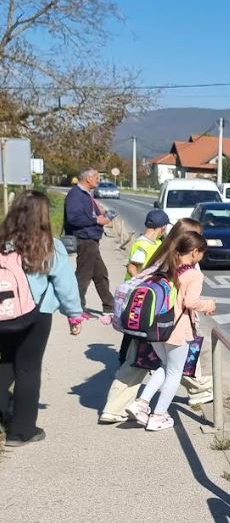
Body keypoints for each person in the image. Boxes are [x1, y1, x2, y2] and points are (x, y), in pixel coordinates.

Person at [99, 217, 214, 425]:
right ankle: (124, 408)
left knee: (158, 363)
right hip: (168, 324)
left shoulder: (162, 254)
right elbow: (188, 300)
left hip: (145, 318)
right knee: (159, 365)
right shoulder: (186, 266)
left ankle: (198, 388)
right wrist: (206, 306)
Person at [0, 191, 83, 447]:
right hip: (37, 314)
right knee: (28, 369)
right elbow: (65, 284)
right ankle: (22, 431)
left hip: (3, 312)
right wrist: (74, 315)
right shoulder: (49, 245)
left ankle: (4, 412)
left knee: (6, 362)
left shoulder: (3, 241)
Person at [125, 232, 215, 431]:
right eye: (202, 254)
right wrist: (208, 304)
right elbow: (190, 302)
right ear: (194, 252)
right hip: (177, 328)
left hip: (156, 326)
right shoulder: (193, 274)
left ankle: (141, 403)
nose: (202, 257)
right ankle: (159, 415)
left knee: (165, 366)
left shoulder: (166, 267)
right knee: (175, 372)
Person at [63, 168, 114, 318]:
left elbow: (88, 214)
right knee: (83, 275)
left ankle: (109, 306)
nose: (98, 180)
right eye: (96, 177)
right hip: (84, 239)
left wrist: (102, 216)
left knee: (100, 274)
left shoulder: (85, 194)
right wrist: (96, 220)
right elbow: (74, 218)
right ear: (88, 178)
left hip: (91, 239)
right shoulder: (75, 195)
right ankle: (77, 308)